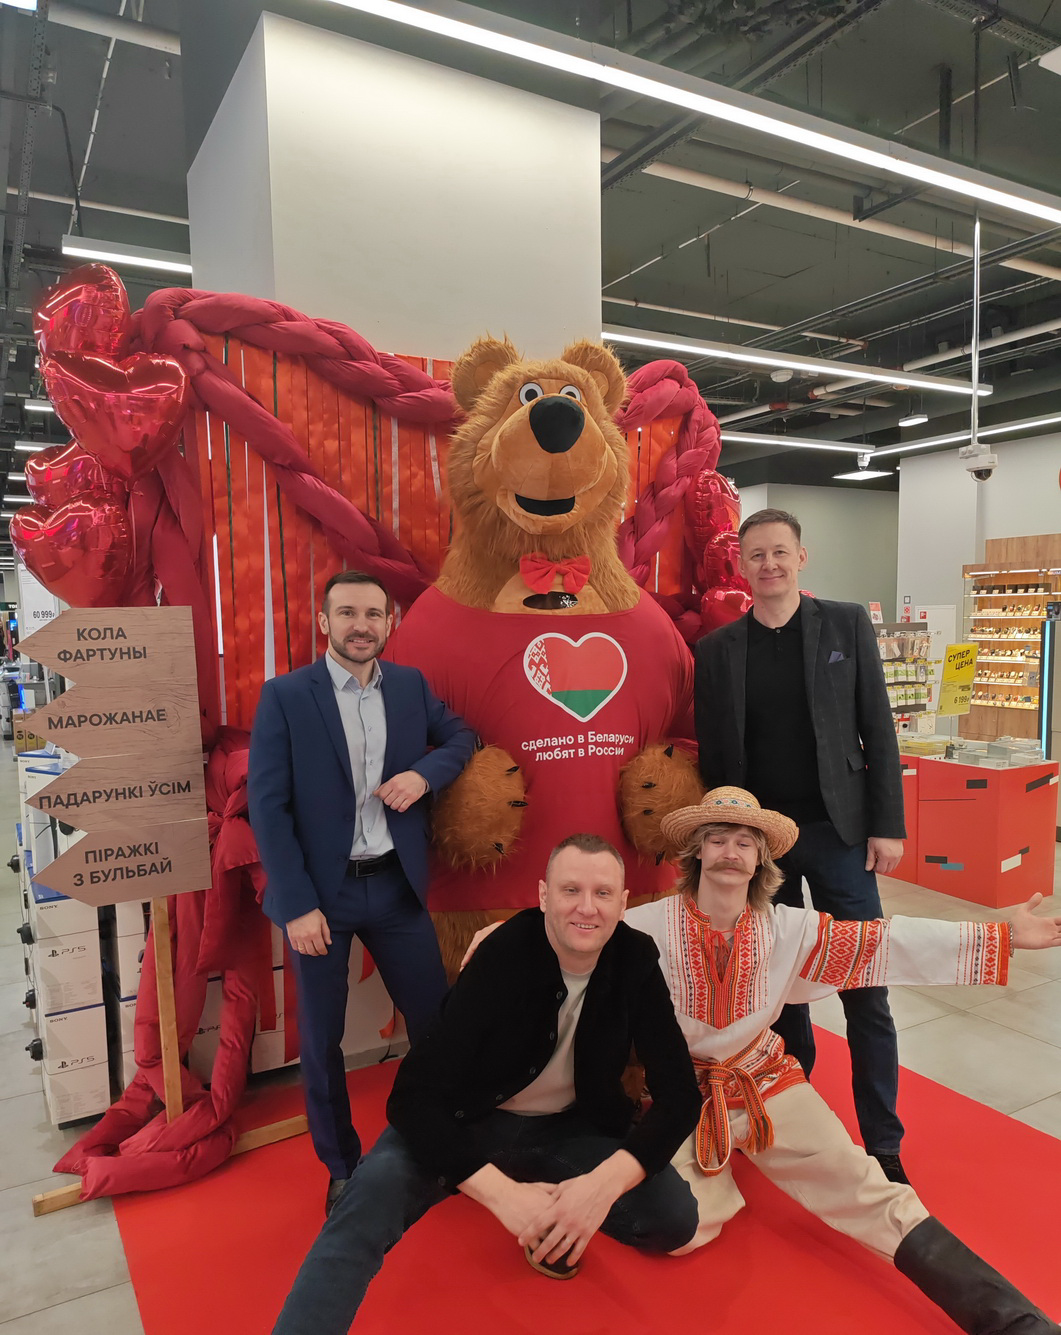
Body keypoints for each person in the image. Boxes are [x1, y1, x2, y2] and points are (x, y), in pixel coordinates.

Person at [626, 787, 1061, 1335]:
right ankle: (712, 1175)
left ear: (760, 860)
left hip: (767, 1082)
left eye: (744, 842)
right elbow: (577, 955)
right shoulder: (646, 926)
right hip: (684, 1097)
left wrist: (1003, 936)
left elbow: (886, 942)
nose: (730, 852)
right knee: (684, 1232)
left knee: (872, 1193)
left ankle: (1015, 1321)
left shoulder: (788, 929)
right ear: (696, 852)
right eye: (716, 839)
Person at [271, 834, 702, 1334]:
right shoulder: (503, 953)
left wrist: (598, 1188)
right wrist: (503, 1197)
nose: (587, 908)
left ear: (623, 903)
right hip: (469, 1121)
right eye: (570, 890)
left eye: (602, 893)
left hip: (571, 1131)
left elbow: (679, 1095)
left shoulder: (635, 959)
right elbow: (412, 1097)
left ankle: (551, 1214)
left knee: (675, 1220)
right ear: (542, 896)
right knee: (365, 1203)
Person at [248, 570, 476, 1214]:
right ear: (324, 622)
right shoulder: (286, 696)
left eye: (374, 614)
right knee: (322, 1042)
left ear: (389, 623)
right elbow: (268, 807)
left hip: (397, 890)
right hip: (321, 899)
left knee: (437, 1025)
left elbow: (462, 737)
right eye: (347, 613)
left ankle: (443, 1144)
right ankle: (342, 1167)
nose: (361, 626)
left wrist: (424, 776)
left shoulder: (408, 686)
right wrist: (296, 905)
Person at [694, 507, 909, 1180]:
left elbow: (877, 726)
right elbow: (715, 757)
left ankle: (884, 1144)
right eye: (756, 555)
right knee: (779, 989)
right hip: (764, 846)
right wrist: (722, 843)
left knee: (864, 985)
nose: (769, 565)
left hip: (842, 834)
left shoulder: (844, 624)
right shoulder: (718, 650)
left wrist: (888, 824)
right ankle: (797, 1121)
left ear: (800, 557)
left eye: (779, 552)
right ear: (741, 565)